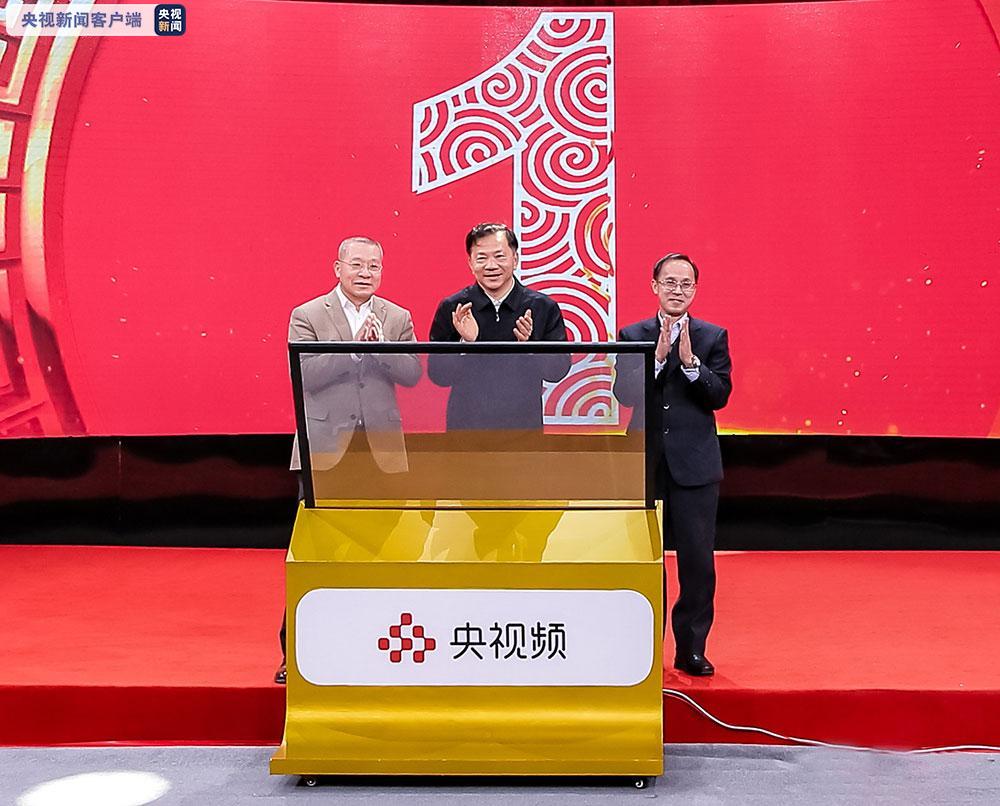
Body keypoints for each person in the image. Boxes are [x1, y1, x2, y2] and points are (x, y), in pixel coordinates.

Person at [278, 236, 421, 683]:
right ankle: (295, 653)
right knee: (315, 551)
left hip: (380, 451)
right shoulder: (308, 314)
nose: (365, 273)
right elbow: (306, 374)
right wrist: (352, 349)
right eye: (356, 264)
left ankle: (368, 645)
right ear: (337, 267)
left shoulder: (396, 317)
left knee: (381, 550)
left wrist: (380, 348)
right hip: (326, 448)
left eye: (373, 266)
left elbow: (413, 373)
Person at [614, 253, 732, 676]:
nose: (677, 290)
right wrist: (658, 358)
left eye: (685, 284)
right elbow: (624, 394)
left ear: (694, 290)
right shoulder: (633, 335)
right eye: (669, 282)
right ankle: (646, 651)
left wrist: (691, 364)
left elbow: (719, 395)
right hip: (647, 464)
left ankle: (691, 649)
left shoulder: (712, 337)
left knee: (697, 563)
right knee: (646, 559)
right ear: (654, 286)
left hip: (695, 466)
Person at [428, 223, 569, 431]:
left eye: (500, 256)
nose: (491, 266)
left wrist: (530, 347)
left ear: (515, 259)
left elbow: (558, 371)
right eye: (481, 258)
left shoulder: (542, 307)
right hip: (465, 429)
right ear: (470, 263)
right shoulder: (454, 308)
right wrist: (465, 344)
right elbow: (438, 376)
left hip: (523, 429)